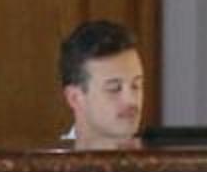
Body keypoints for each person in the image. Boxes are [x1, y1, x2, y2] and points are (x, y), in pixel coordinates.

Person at [57, 19, 146, 151]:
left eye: (136, 85)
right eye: (114, 89)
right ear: (75, 98)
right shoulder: (44, 163)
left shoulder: (164, 161)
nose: (131, 100)